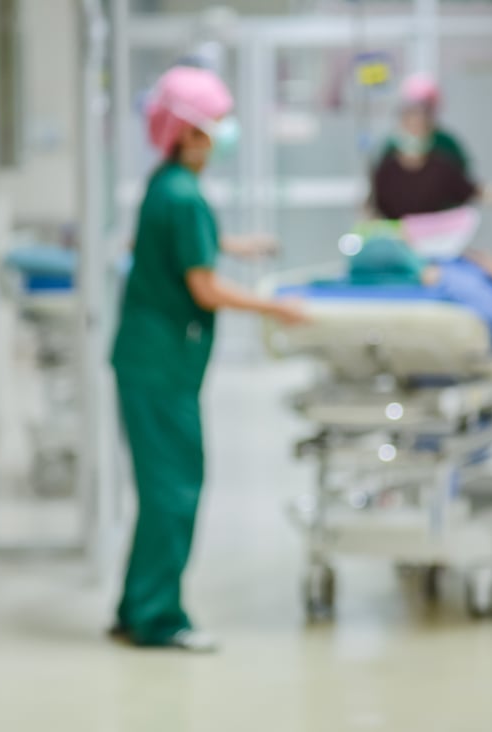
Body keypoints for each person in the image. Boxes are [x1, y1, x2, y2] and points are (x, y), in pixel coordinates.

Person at [109, 66, 305, 653]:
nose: (222, 134)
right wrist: (275, 308)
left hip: (147, 361)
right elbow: (205, 289)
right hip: (161, 366)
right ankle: (159, 619)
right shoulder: (186, 195)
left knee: (159, 489)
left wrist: (233, 245)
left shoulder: (164, 184)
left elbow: (178, 242)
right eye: (214, 125)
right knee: (174, 491)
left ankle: (135, 607)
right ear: (187, 132)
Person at [368, 73, 480, 221]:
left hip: (441, 228)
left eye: (422, 115)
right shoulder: (388, 155)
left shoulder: (445, 150)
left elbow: (466, 189)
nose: (416, 123)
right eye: (411, 115)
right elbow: (376, 201)